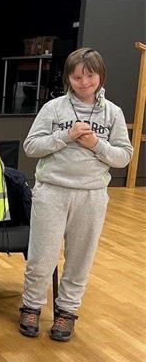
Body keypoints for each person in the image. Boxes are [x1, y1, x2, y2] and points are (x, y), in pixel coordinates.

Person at [19, 48, 133, 342]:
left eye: (90, 76)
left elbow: (123, 156)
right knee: (42, 257)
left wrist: (96, 144)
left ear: (100, 76)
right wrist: (65, 136)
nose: (84, 82)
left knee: (80, 258)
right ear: (68, 78)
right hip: (52, 191)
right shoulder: (54, 108)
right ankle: (31, 306)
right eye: (77, 77)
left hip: (91, 195)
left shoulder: (113, 113)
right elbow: (31, 147)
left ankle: (67, 312)